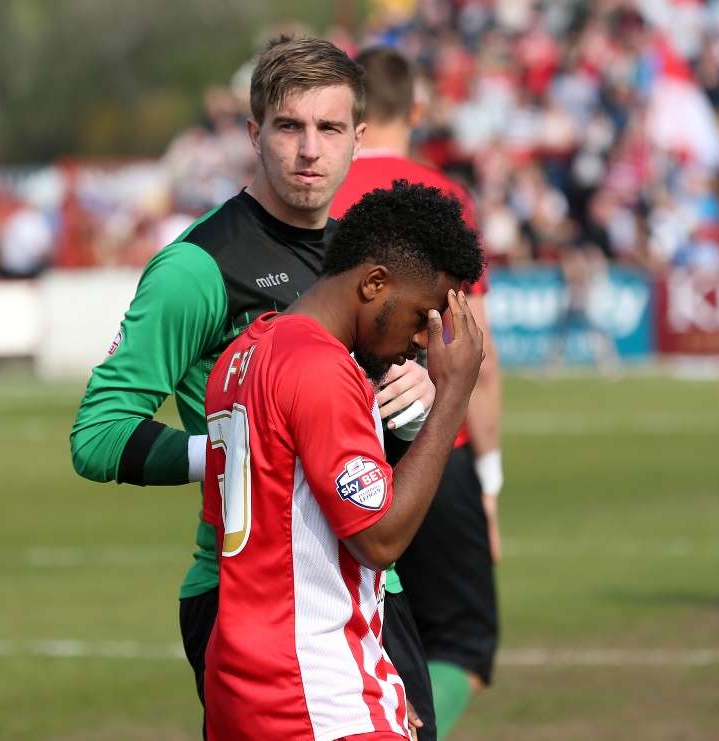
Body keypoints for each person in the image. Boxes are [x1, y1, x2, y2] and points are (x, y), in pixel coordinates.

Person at [70, 36, 437, 734]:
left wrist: (415, 401)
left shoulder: (365, 253)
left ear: (359, 137)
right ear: (253, 133)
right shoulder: (196, 268)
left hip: (368, 587)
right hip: (248, 599)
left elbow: (360, 431)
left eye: (329, 129)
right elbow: (97, 433)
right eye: (288, 126)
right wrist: (229, 454)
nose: (309, 150)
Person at [203, 181, 485, 741]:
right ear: (375, 283)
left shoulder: (244, 353)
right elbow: (377, 539)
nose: (422, 343)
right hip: (313, 694)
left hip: (245, 686)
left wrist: (374, 679)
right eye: (420, 316)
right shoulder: (322, 370)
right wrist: (453, 394)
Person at [331, 47, 505, 740]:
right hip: (429, 444)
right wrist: (487, 480)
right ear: (418, 109)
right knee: (462, 643)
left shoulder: (316, 193)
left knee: (348, 636)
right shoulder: (440, 197)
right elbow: (476, 354)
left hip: (335, 445)